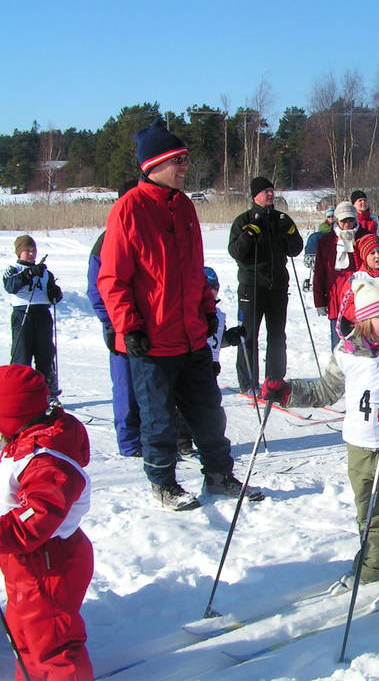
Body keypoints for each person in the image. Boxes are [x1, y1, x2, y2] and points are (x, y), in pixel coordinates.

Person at [97, 120, 262, 510]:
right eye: (179, 160)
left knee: (208, 411)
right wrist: (128, 327)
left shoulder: (185, 206)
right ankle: (163, 483)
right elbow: (112, 279)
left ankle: (219, 475)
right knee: (158, 418)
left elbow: (194, 269)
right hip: (152, 339)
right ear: (154, 165)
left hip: (190, 333)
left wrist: (207, 309)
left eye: (186, 159)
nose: (186, 166)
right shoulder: (128, 210)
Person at [263, 276, 379, 604]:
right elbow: (325, 391)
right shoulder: (346, 352)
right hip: (359, 445)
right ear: (364, 318)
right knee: (369, 512)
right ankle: (375, 563)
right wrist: (287, 392)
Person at [0, 365, 94, 681]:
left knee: (52, 643)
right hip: (26, 564)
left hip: (50, 564)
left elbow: (37, 519)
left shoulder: (47, 462)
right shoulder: (22, 440)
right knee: (24, 634)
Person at [227, 176, 304, 394]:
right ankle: (249, 383)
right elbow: (236, 253)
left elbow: (295, 249)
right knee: (249, 335)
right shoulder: (243, 220)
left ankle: (275, 381)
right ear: (254, 196)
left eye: (271, 190)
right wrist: (249, 234)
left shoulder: (281, 218)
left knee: (277, 335)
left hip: (277, 286)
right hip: (252, 287)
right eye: (265, 191)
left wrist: (289, 231)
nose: (270, 194)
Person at [87, 181, 142, 457]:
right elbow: (96, 288)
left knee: (152, 387)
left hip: (149, 325)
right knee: (126, 386)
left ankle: (153, 438)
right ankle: (130, 443)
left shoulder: (147, 232)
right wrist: (109, 323)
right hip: (120, 325)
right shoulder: (106, 239)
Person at [176, 267, 244, 456]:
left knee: (211, 407)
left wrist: (231, 337)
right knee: (185, 406)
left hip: (209, 367)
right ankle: (182, 443)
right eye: (208, 288)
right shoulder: (190, 311)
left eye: (215, 288)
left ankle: (212, 445)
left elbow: (216, 341)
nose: (212, 292)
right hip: (190, 365)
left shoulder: (218, 315)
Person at [4, 235, 62, 401]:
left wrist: (55, 294)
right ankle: (19, 393)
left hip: (42, 314)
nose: (30, 254)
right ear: (19, 252)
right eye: (26, 251)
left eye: (33, 250)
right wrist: (29, 273)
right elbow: (11, 286)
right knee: (22, 355)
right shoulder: (13, 268)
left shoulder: (45, 273)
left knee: (46, 354)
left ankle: (48, 393)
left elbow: (53, 292)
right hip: (23, 314)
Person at [314, 201, 366, 349]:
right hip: (336, 301)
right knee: (339, 347)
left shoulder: (365, 237)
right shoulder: (326, 242)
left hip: (362, 299)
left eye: (351, 219)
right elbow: (319, 273)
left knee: (363, 347)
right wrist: (319, 300)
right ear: (337, 220)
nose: (348, 224)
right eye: (344, 220)